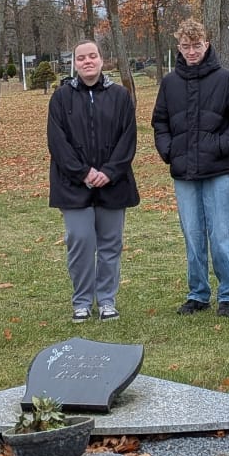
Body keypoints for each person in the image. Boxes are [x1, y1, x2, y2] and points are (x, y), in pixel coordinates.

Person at [151, 18, 229, 317]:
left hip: (217, 170)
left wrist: (221, 146)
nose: (191, 51)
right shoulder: (169, 83)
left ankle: (228, 294)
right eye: (186, 46)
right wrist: (168, 150)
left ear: (206, 44)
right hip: (183, 172)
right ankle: (197, 293)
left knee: (222, 236)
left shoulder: (225, 79)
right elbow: (160, 122)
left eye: (197, 45)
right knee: (193, 237)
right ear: (178, 48)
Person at [47, 39, 138, 322]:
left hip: (113, 184)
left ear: (102, 59)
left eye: (93, 56)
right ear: (74, 63)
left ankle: (107, 301)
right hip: (73, 185)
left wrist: (109, 172)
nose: (88, 61)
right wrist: (83, 172)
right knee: (81, 241)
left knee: (111, 245)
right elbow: (57, 141)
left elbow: (128, 139)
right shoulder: (61, 98)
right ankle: (82, 302)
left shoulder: (120, 96)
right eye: (81, 58)